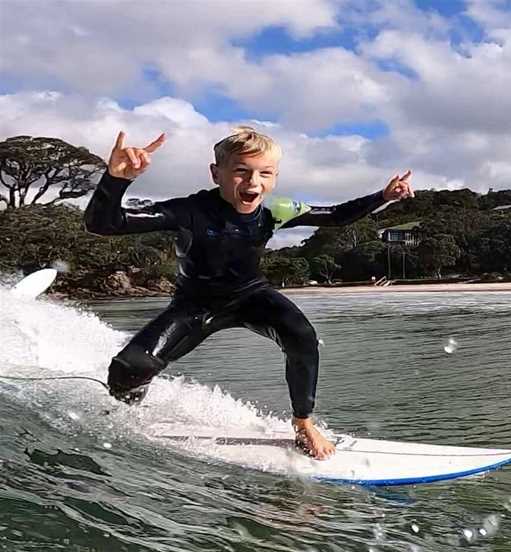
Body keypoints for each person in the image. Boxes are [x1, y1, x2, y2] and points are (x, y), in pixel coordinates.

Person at [84, 127, 413, 460]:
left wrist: (383, 197)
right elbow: (105, 224)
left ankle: (303, 424)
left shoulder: (276, 211)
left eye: (264, 173)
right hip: (195, 304)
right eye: (241, 171)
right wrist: (115, 179)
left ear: (275, 177)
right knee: (128, 369)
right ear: (217, 174)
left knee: (302, 336)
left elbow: (336, 216)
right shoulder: (190, 210)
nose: (253, 182)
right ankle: (127, 414)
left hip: (251, 296)